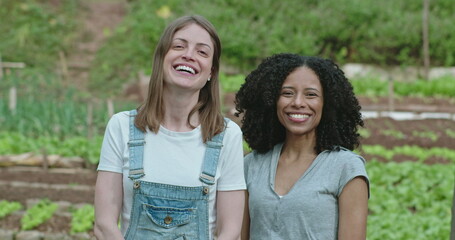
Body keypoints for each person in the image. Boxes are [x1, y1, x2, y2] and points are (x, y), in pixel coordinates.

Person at [94, 15, 246, 240]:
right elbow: (104, 225)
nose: (189, 55)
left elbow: (230, 232)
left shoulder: (226, 135)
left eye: (202, 52)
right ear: (161, 58)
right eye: (179, 46)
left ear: (211, 72)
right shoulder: (122, 127)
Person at [235, 53, 370, 240]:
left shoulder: (346, 168)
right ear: (271, 100)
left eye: (311, 95)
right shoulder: (251, 165)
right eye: (287, 93)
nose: (298, 103)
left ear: (327, 103)